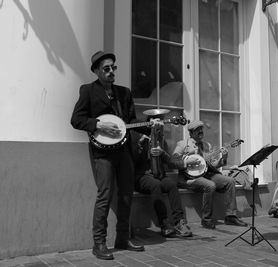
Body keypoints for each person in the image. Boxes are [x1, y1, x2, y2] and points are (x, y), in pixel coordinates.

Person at [71, 51, 145, 260]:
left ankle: (123, 238)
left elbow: (131, 121)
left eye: (113, 67)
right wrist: (98, 124)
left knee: (126, 195)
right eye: (106, 68)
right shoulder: (88, 91)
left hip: (124, 151)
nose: (112, 71)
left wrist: (152, 125)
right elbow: (76, 119)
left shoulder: (124, 93)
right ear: (96, 71)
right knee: (105, 195)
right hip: (102, 152)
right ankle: (99, 243)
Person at [172, 120, 248, 229]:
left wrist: (224, 157)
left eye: (201, 129)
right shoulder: (183, 144)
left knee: (230, 181)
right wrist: (187, 162)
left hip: (206, 174)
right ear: (191, 133)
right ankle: (206, 219)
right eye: (197, 130)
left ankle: (231, 216)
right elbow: (173, 161)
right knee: (210, 185)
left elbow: (213, 165)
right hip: (188, 178)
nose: (200, 132)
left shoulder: (206, 145)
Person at [134, 109, 193, 238]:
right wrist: (141, 145)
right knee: (155, 185)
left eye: (161, 121)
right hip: (142, 176)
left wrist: (163, 153)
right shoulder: (138, 137)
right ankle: (164, 224)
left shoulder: (162, 141)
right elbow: (133, 161)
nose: (159, 124)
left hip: (159, 174)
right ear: (149, 122)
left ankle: (179, 222)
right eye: (156, 121)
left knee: (171, 185)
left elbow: (171, 163)